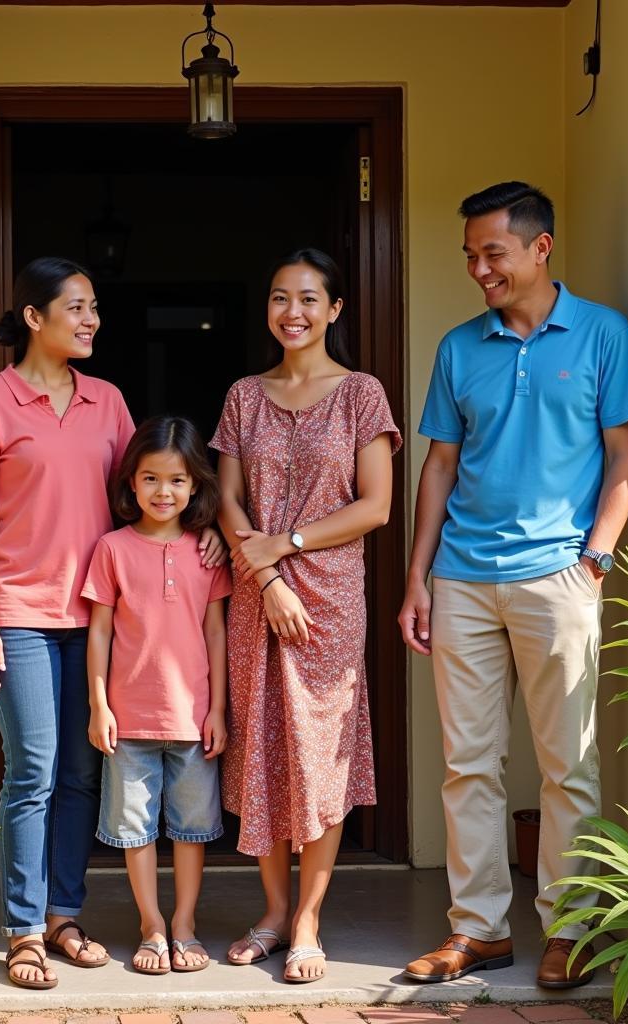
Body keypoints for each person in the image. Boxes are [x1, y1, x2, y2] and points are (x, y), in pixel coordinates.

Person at [0, 257, 224, 990]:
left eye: (95, 307)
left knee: (80, 773)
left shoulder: (108, 402)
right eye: (76, 307)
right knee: (33, 771)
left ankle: (62, 916)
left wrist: (203, 531)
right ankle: (21, 929)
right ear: (33, 317)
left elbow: (150, 494)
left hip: (102, 619)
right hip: (19, 613)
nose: (91, 319)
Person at [397, 182, 628, 988]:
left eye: (492, 252)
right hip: (463, 579)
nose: (478, 269)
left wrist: (596, 559)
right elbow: (438, 466)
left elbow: (622, 458)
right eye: (470, 254)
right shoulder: (460, 347)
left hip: (559, 577)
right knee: (468, 765)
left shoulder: (604, 333)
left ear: (541, 248)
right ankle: (479, 931)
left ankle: (570, 929)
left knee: (566, 764)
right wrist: (418, 578)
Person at [211, 248, 401, 983]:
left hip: (329, 599)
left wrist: (286, 545)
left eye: (309, 298)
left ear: (335, 309)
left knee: (320, 758)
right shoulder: (242, 395)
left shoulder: (361, 394)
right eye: (279, 297)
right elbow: (227, 501)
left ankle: (310, 921)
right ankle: (271, 912)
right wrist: (264, 575)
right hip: (260, 597)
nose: (293, 312)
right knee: (261, 747)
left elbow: (375, 505)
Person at [84, 416, 231, 975]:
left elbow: (215, 630)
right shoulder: (112, 549)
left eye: (176, 480)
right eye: (149, 479)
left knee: (191, 830)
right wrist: (99, 703)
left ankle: (185, 925)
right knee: (134, 829)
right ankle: (151, 926)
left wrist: (218, 707)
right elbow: (100, 630)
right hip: (129, 721)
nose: (162, 492)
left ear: (195, 486)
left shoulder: (206, 553)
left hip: (193, 719)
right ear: (130, 483)